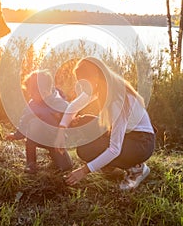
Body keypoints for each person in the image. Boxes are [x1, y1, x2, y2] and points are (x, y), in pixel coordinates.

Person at [58, 57, 155, 191]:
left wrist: (84, 171)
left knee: (86, 150)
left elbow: (114, 149)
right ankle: (108, 165)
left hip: (141, 143)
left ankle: (137, 169)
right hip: (128, 136)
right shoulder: (101, 86)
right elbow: (73, 107)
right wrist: (61, 131)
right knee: (84, 120)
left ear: (95, 77)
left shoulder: (117, 99)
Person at [6, 69, 73, 174]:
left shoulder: (61, 104)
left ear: (44, 91)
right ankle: (31, 163)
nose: (30, 96)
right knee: (35, 124)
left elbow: (70, 123)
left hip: (56, 141)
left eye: (32, 93)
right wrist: (17, 135)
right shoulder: (33, 104)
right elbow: (24, 120)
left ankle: (54, 154)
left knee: (67, 166)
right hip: (37, 137)